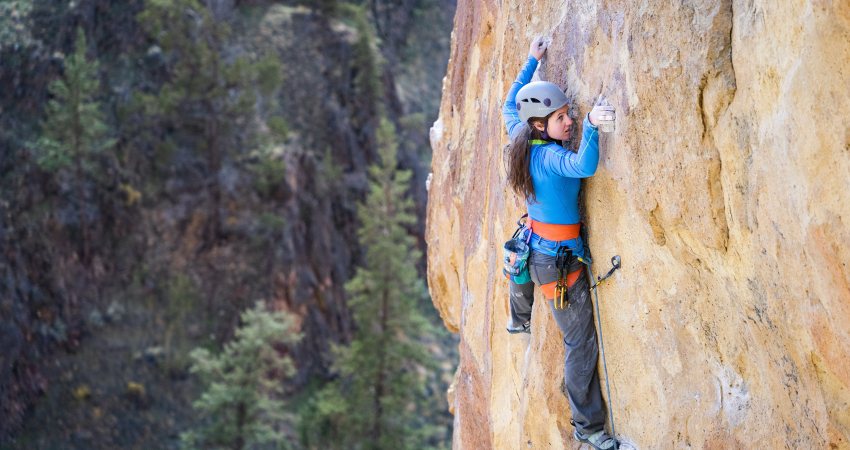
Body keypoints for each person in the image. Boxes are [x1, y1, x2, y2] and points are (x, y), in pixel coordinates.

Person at [502, 36, 617, 450]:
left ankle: (519, 317)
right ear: (540, 126)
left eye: (569, 114)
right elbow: (585, 165)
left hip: (538, 250)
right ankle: (588, 429)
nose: (568, 121)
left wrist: (531, 62)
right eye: (560, 118)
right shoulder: (550, 158)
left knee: (571, 333)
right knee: (579, 341)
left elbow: (508, 103)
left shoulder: (520, 138)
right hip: (557, 264)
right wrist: (591, 128)